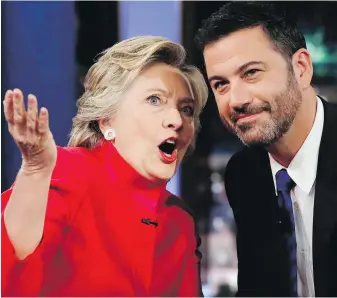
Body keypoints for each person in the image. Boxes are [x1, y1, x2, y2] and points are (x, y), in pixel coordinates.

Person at [1, 36, 209, 297]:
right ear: (106, 121)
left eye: (187, 109)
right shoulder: (67, 171)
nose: (176, 120)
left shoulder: (179, 221)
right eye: (155, 100)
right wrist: (34, 173)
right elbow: (11, 263)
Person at [195, 2, 337, 297]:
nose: (236, 100)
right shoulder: (244, 173)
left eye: (251, 73)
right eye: (221, 84)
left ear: (301, 69)